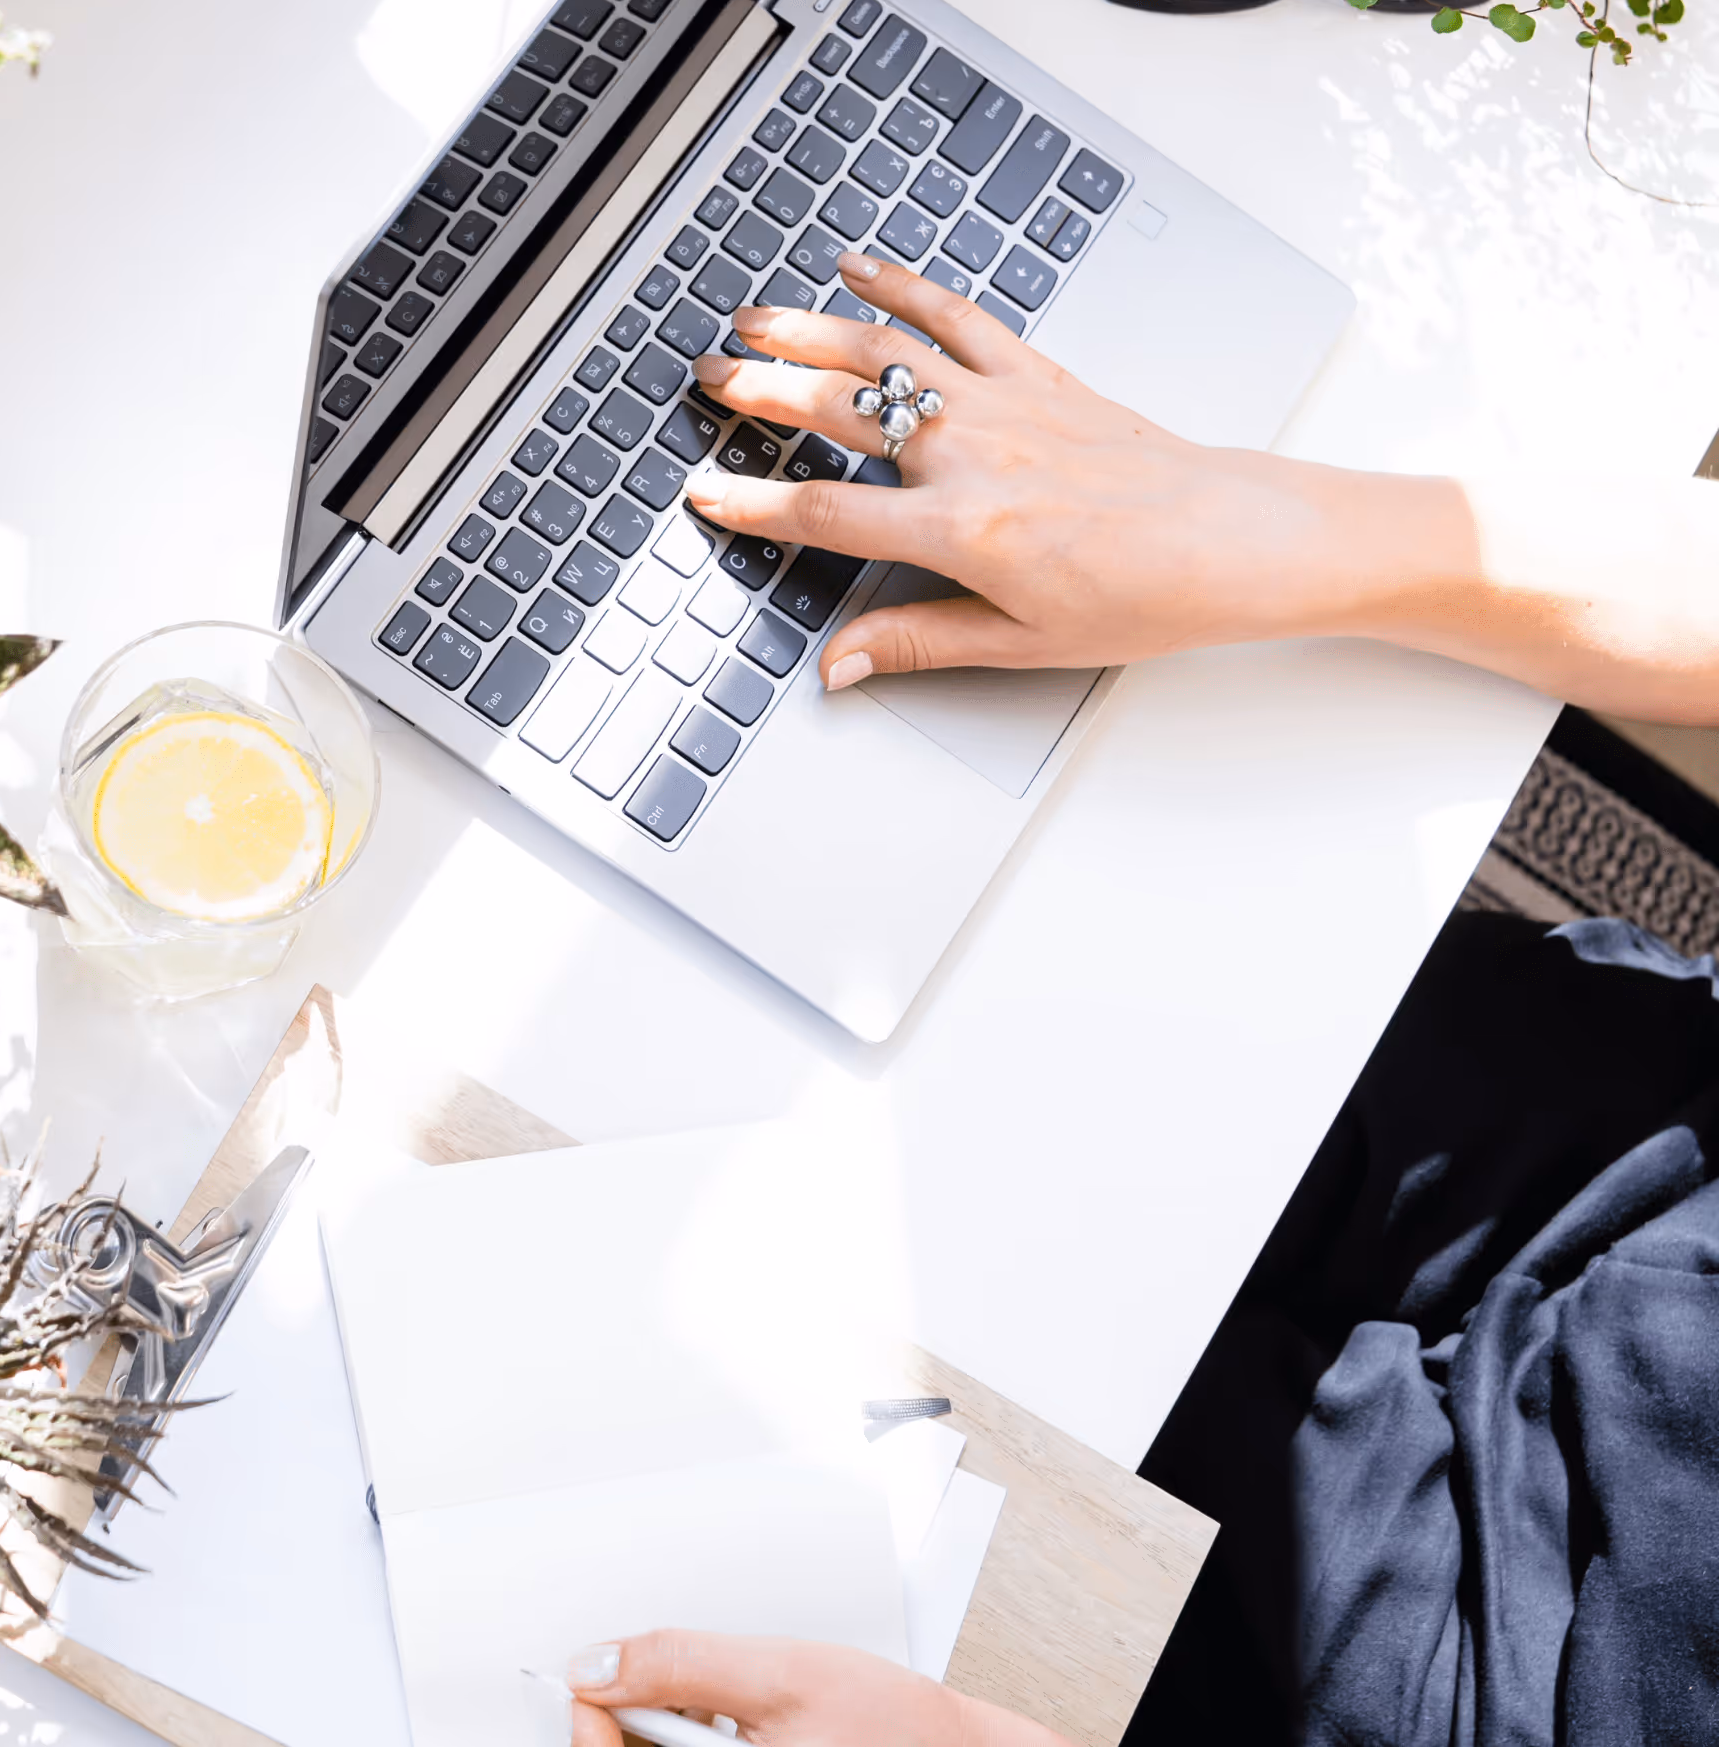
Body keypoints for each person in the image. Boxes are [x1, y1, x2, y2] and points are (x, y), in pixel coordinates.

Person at [562, 248, 1719, 1747]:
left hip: (1512, 1691)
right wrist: (1257, 528)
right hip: (1645, 1136)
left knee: (758, 1323)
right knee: (992, 948)